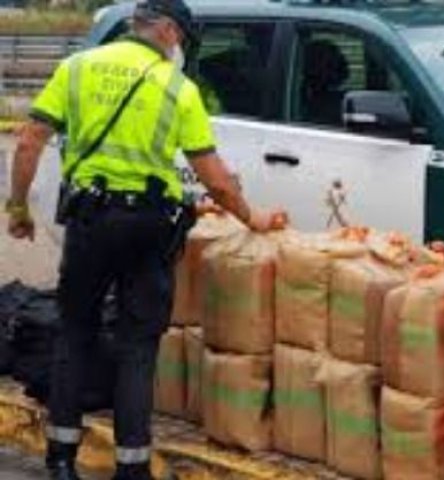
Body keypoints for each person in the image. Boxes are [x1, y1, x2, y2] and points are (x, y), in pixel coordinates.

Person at [4, 1, 282, 479]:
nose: (181, 49)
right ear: (169, 32)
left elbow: (30, 139)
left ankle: (60, 461)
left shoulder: (75, 68)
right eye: (182, 40)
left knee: (75, 334)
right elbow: (213, 178)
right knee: (138, 345)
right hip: (150, 228)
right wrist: (251, 217)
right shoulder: (178, 88)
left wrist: (18, 206)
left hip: (90, 221)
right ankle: (131, 468)